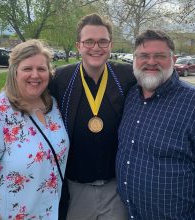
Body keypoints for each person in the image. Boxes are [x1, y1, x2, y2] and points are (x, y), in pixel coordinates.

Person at [116, 30, 195, 220]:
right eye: (143, 55)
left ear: (173, 59)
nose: (151, 62)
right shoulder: (131, 97)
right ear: (134, 59)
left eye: (159, 56)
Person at [0, 39, 69, 219]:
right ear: (14, 72)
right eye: (27, 69)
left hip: (53, 213)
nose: (35, 75)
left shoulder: (53, 106)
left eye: (41, 69)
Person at [48, 13, 136, 220]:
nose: (96, 48)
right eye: (89, 41)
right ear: (78, 45)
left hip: (117, 188)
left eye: (102, 41)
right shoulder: (61, 78)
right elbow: (28, 96)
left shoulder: (128, 76)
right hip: (75, 187)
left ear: (111, 45)